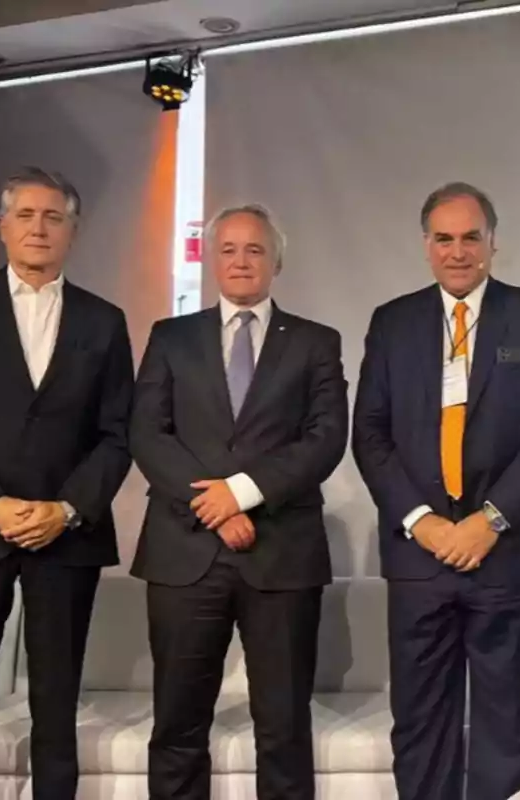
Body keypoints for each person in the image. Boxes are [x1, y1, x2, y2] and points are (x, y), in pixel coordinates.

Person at [0, 166, 135, 800]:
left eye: (53, 217)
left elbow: (119, 432)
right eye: (27, 216)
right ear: (4, 226)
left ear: (73, 230)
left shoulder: (104, 320)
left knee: (57, 702)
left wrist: (67, 508)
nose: (39, 228)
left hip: (66, 536)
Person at [351, 182, 520, 800]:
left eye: (470, 237)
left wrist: (490, 520)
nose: (457, 251)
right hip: (420, 560)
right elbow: (369, 433)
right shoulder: (392, 322)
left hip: (510, 558)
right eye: (444, 238)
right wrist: (422, 521)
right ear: (426, 246)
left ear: (493, 244)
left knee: (510, 728)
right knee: (421, 725)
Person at [129, 204, 348, 800]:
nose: (241, 261)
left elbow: (325, 439)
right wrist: (215, 507)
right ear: (211, 261)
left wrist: (242, 495)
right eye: (228, 249)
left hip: (282, 556)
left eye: (255, 250)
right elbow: (148, 433)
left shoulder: (315, 342)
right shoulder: (170, 337)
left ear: (276, 260)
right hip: (184, 552)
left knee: (282, 728)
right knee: (177, 725)